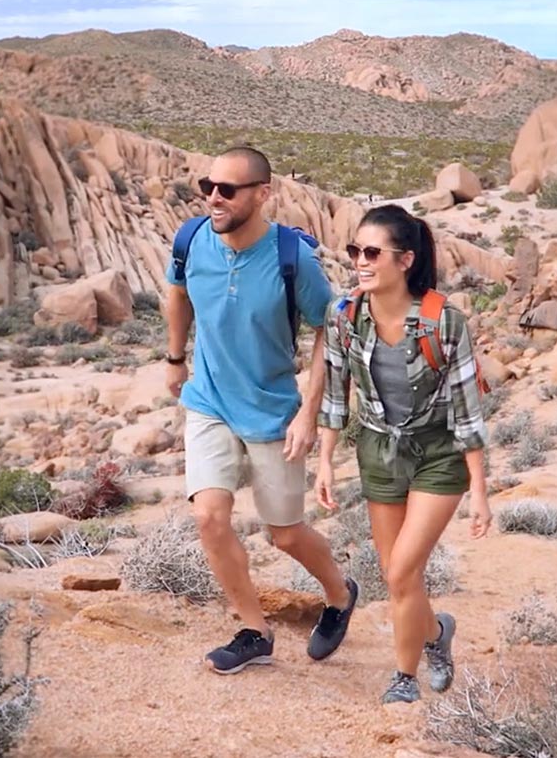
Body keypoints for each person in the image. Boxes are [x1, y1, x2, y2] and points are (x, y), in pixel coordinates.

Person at [164, 146, 359, 675]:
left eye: (228, 189)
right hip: (209, 401)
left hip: (273, 411)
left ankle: (341, 595)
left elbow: (329, 328)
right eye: (209, 186)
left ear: (262, 194)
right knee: (209, 517)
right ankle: (254, 629)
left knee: (285, 533)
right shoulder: (192, 240)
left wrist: (308, 412)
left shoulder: (292, 258)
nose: (214, 198)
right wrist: (176, 358)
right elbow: (177, 293)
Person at [314, 204, 492, 704]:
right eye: (355, 251)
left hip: (438, 453)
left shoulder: (444, 322)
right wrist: (326, 460)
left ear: (405, 260)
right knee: (402, 577)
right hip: (377, 449)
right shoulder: (344, 316)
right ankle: (436, 632)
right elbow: (334, 394)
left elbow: (467, 412)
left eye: (372, 252)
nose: (360, 262)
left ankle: (403, 677)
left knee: (397, 572)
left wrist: (479, 491)